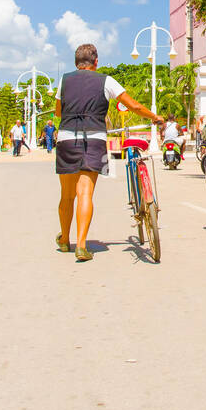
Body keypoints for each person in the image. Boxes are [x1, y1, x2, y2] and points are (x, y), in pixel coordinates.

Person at [55, 42, 162, 262]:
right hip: (94, 139)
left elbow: (58, 112)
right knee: (85, 193)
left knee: (67, 195)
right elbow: (133, 106)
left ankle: (65, 239)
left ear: (76, 63)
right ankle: (82, 246)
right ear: (96, 62)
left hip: (66, 138)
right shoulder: (106, 80)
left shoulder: (64, 80)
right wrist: (154, 117)